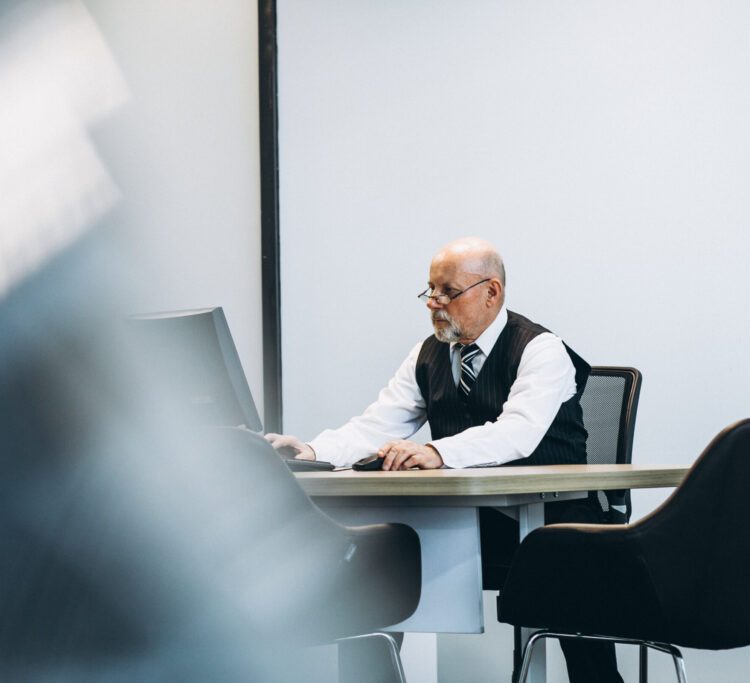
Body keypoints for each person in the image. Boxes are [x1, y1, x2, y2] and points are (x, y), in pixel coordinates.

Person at [266, 237, 623, 683]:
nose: (434, 303)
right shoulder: (427, 354)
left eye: (447, 292)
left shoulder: (541, 349)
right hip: (476, 521)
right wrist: (312, 452)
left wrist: (436, 451)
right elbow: (377, 425)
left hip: (557, 519)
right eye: (430, 291)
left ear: (491, 292)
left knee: (571, 575)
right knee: (380, 556)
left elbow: (517, 434)